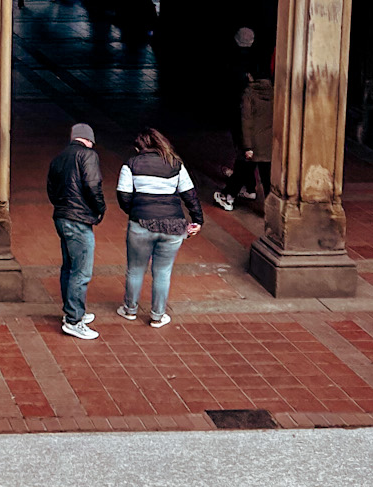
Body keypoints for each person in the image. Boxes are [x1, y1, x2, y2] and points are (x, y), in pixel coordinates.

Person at [116, 128, 202, 330]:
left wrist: (136, 211)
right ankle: (157, 316)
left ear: (140, 147)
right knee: (162, 272)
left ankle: (129, 309)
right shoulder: (176, 165)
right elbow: (190, 195)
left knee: (135, 269)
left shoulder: (131, 165)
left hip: (141, 225)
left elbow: (123, 196)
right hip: (173, 226)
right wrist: (197, 220)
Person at [46, 122, 106, 339]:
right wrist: (100, 208)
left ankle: (72, 310)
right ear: (89, 139)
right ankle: (74, 320)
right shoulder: (88, 156)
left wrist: (62, 206)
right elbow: (93, 184)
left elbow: (51, 190)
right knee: (81, 271)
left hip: (62, 217)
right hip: (78, 220)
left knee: (68, 268)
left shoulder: (58, 158)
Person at [214, 30, 273, 212]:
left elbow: (246, 121)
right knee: (266, 175)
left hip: (252, 142)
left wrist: (247, 146)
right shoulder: (274, 92)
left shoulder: (249, 94)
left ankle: (229, 195)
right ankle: (268, 205)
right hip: (268, 142)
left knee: (243, 166)